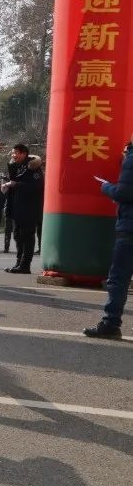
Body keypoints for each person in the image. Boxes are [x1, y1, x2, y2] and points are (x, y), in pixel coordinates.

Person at [85, 139, 133, 339]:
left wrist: (106, 187)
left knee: (119, 278)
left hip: (129, 228)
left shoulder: (131, 159)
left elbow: (124, 193)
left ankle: (111, 324)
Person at [2, 144, 44, 274]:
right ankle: (19, 262)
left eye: (16, 153)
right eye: (12, 153)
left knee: (27, 236)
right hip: (17, 207)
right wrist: (11, 168)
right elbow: (13, 179)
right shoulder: (18, 166)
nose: (13, 155)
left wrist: (16, 185)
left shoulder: (33, 167)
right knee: (17, 235)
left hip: (29, 209)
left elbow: (35, 187)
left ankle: (25, 265)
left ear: (24, 153)